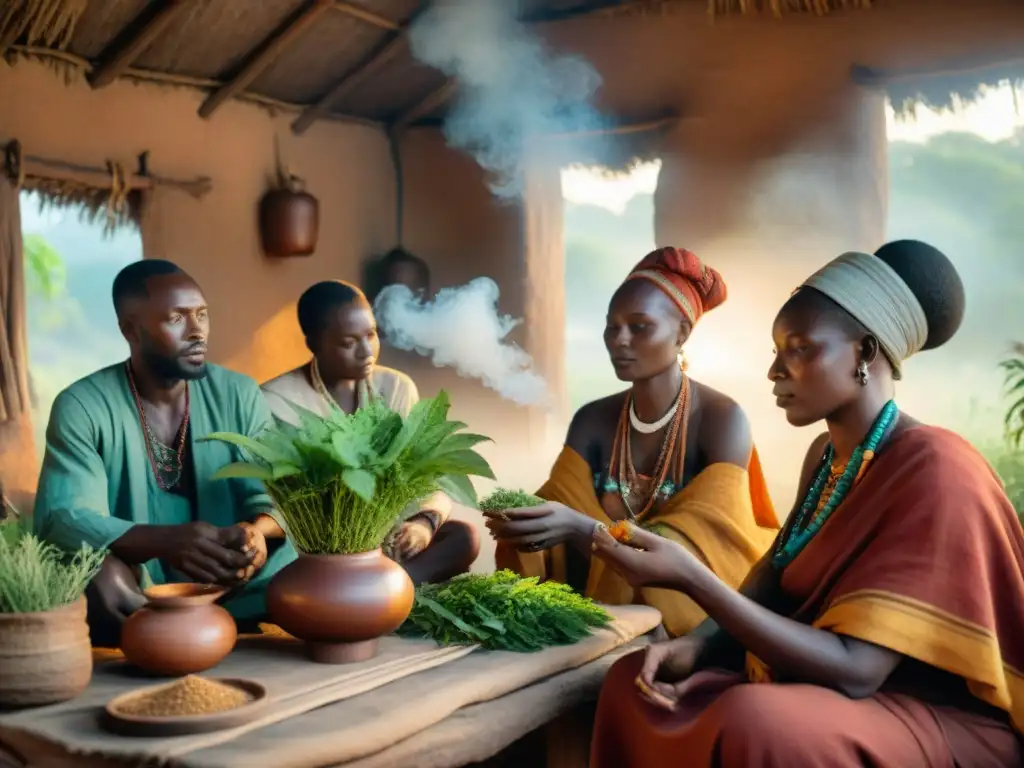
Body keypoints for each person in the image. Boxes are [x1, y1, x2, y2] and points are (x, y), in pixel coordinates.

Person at [588, 240, 1024, 767]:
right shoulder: (826, 456)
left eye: (800, 348)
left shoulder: (936, 466)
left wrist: (691, 578)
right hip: (826, 688)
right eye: (776, 351)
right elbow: (773, 577)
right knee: (629, 681)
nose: (776, 370)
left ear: (864, 352)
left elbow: (857, 671)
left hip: (926, 712)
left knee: (757, 719)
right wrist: (699, 646)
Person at [487, 247, 779, 638]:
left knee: (671, 544)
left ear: (682, 333)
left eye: (638, 326)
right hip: (598, 606)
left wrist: (584, 529)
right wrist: (529, 520)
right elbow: (559, 505)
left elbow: (703, 549)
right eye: (612, 327)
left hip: (694, 613)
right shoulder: (593, 420)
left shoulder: (722, 419)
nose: (619, 340)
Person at [33, 260, 294, 645]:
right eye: (176, 318)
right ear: (130, 330)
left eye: (202, 315)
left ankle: (178, 633)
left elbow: (277, 491)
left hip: (232, 577)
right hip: (139, 582)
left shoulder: (239, 393)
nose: (197, 332)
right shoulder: (82, 405)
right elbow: (67, 517)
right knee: (98, 576)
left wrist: (256, 533)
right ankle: (167, 636)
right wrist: (166, 541)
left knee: (309, 562)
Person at [261, 279, 478, 584]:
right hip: (317, 549)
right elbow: (281, 498)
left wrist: (422, 524)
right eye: (349, 343)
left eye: (371, 335)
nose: (367, 352)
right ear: (314, 344)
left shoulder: (396, 387)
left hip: (387, 540)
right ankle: (384, 592)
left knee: (463, 537)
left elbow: (422, 472)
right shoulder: (276, 399)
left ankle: (382, 590)